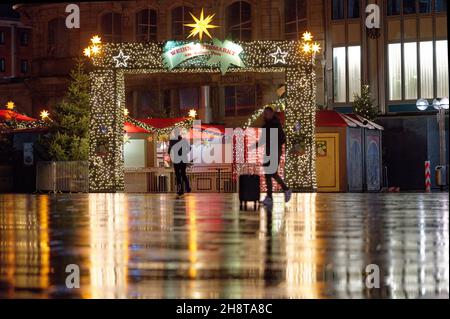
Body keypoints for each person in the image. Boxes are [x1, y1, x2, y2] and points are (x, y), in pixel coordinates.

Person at [259, 106, 292, 206]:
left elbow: (282, 139)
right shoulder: (266, 126)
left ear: (272, 114)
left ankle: (286, 189)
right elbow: (262, 140)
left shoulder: (276, 125)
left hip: (274, 151)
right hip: (268, 152)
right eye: (264, 113)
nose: (265, 115)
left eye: (267, 113)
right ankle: (270, 197)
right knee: (268, 174)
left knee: (272, 173)